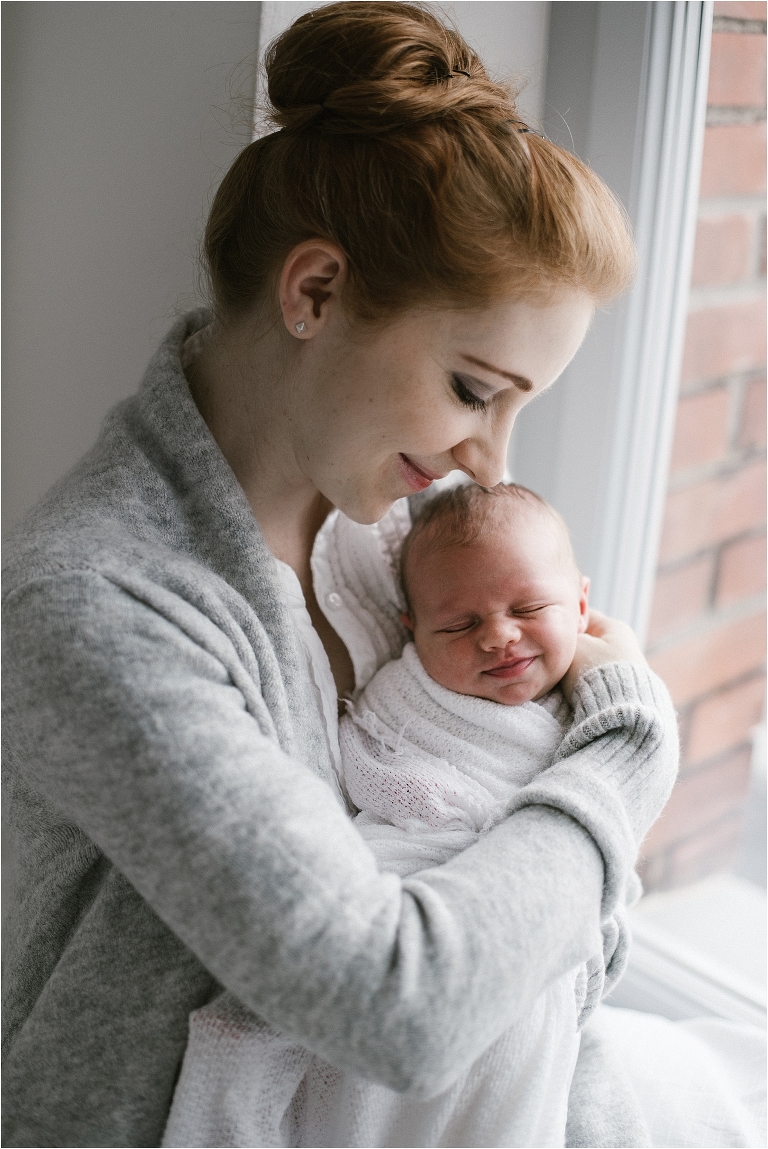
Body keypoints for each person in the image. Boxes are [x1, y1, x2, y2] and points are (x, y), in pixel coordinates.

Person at [2, 5, 678, 1147]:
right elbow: (397, 1007)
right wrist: (625, 754)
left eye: (520, 405)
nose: (491, 461)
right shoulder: (97, 602)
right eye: (474, 389)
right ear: (313, 292)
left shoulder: (392, 536)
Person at [162, 482, 665, 1148]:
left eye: (530, 607)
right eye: (459, 624)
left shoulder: (581, 706)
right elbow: (366, 773)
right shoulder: (405, 694)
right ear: (413, 631)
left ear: (580, 601)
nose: (499, 636)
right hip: (419, 891)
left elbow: (605, 865)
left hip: (523, 933)